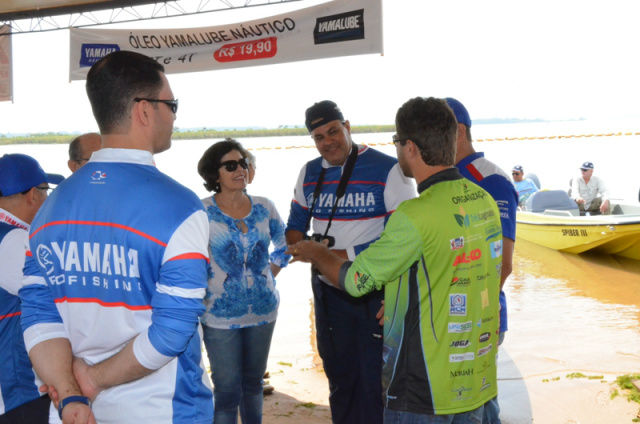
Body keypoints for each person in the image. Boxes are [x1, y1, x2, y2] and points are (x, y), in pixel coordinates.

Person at [19, 50, 213, 424]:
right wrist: (91, 379)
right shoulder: (180, 207)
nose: (173, 116)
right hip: (163, 408)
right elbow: (171, 332)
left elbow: (39, 313)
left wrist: (70, 393)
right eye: (170, 104)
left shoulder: (50, 206)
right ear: (144, 110)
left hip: (74, 412)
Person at [287, 96, 502, 423]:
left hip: (425, 385)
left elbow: (357, 282)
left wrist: (317, 253)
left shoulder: (414, 215)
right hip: (477, 376)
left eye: (397, 141)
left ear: (410, 148)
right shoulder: (483, 198)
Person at [285, 100, 415, 424]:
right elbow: (294, 227)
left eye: (333, 131)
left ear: (348, 126)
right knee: (338, 377)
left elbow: (406, 238)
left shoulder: (389, 169)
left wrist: (336, 255)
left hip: (374, 292)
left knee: (377, 381)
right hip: (327, 292)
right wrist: (301, 248)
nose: (328, 141)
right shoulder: (309, 172)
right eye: (318, 137)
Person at [197, 139, 290, 424]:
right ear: (215, 175)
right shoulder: (201, 212)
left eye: (243, 163)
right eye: (231, 165)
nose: (240, 169)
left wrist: (268, 274)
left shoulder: (264, 206)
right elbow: (189, 261)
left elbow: (284, 245)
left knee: (253, 387)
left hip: (264, 312)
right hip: (219, 316)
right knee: (225, 392)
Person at [447, 97, 518, 424]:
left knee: (473, 409)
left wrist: (470, 317)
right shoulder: (443, 177)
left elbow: (502, 264)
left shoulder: (491, 180)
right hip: (451, 320)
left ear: (459, 131)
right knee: (479, 407)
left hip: (478, 321)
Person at [0, 154, 63, 423]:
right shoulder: (16, 241)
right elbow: (61, 299)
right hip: (18, 390)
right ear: (32, 196)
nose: (49, 199)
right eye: (46, 191)